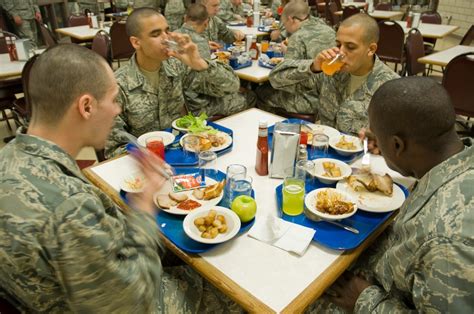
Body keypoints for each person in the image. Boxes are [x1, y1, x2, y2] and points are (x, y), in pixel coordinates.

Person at [0, 43, 240, 312]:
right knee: (232, 286)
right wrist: (145, 202)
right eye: (113, 99)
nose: (117, 110)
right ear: (87, 106)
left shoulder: (9, 156)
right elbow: (134, 300)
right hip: (128, 300)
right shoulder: (70, 205)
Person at [314, 77, 474, 313]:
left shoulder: (445, 242)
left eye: (377, 137)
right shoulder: (455, 162)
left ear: (398, 145)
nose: (373, 142)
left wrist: (364, 299)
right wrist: (388, 144)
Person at [105, 8, 241, 158]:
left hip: (185, 153)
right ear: (136, 42)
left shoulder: (176, 66)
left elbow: (232, 86)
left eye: (167, 31)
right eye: (156, 34)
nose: (165, 39)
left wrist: (200, 63)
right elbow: (113, 151)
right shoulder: (117, 86)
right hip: (148, 165)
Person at [264, 13, 398, 134]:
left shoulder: (391, 88)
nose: (341, 52)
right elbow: (276, 79)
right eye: (338, 45)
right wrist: (313, 66)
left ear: (371, 49)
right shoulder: (331, 72)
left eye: (350, 47)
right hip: (322, 151)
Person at [176, 4, 255, 122]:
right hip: (200, 107)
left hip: (181, 104)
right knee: (250, 96)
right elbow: (206, 83)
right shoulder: (199, 42)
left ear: (185, 18)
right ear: (206, 23)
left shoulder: (175, 36)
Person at [256, 0, 335, 117]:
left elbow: (284, 77)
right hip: (331, 96)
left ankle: (275, 123)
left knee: (261, 91)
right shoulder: (328, 30)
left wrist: (287, 51)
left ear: (291, 19)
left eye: (284, 24)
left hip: (310, 100)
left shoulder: (297, 37)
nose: (286, 29)